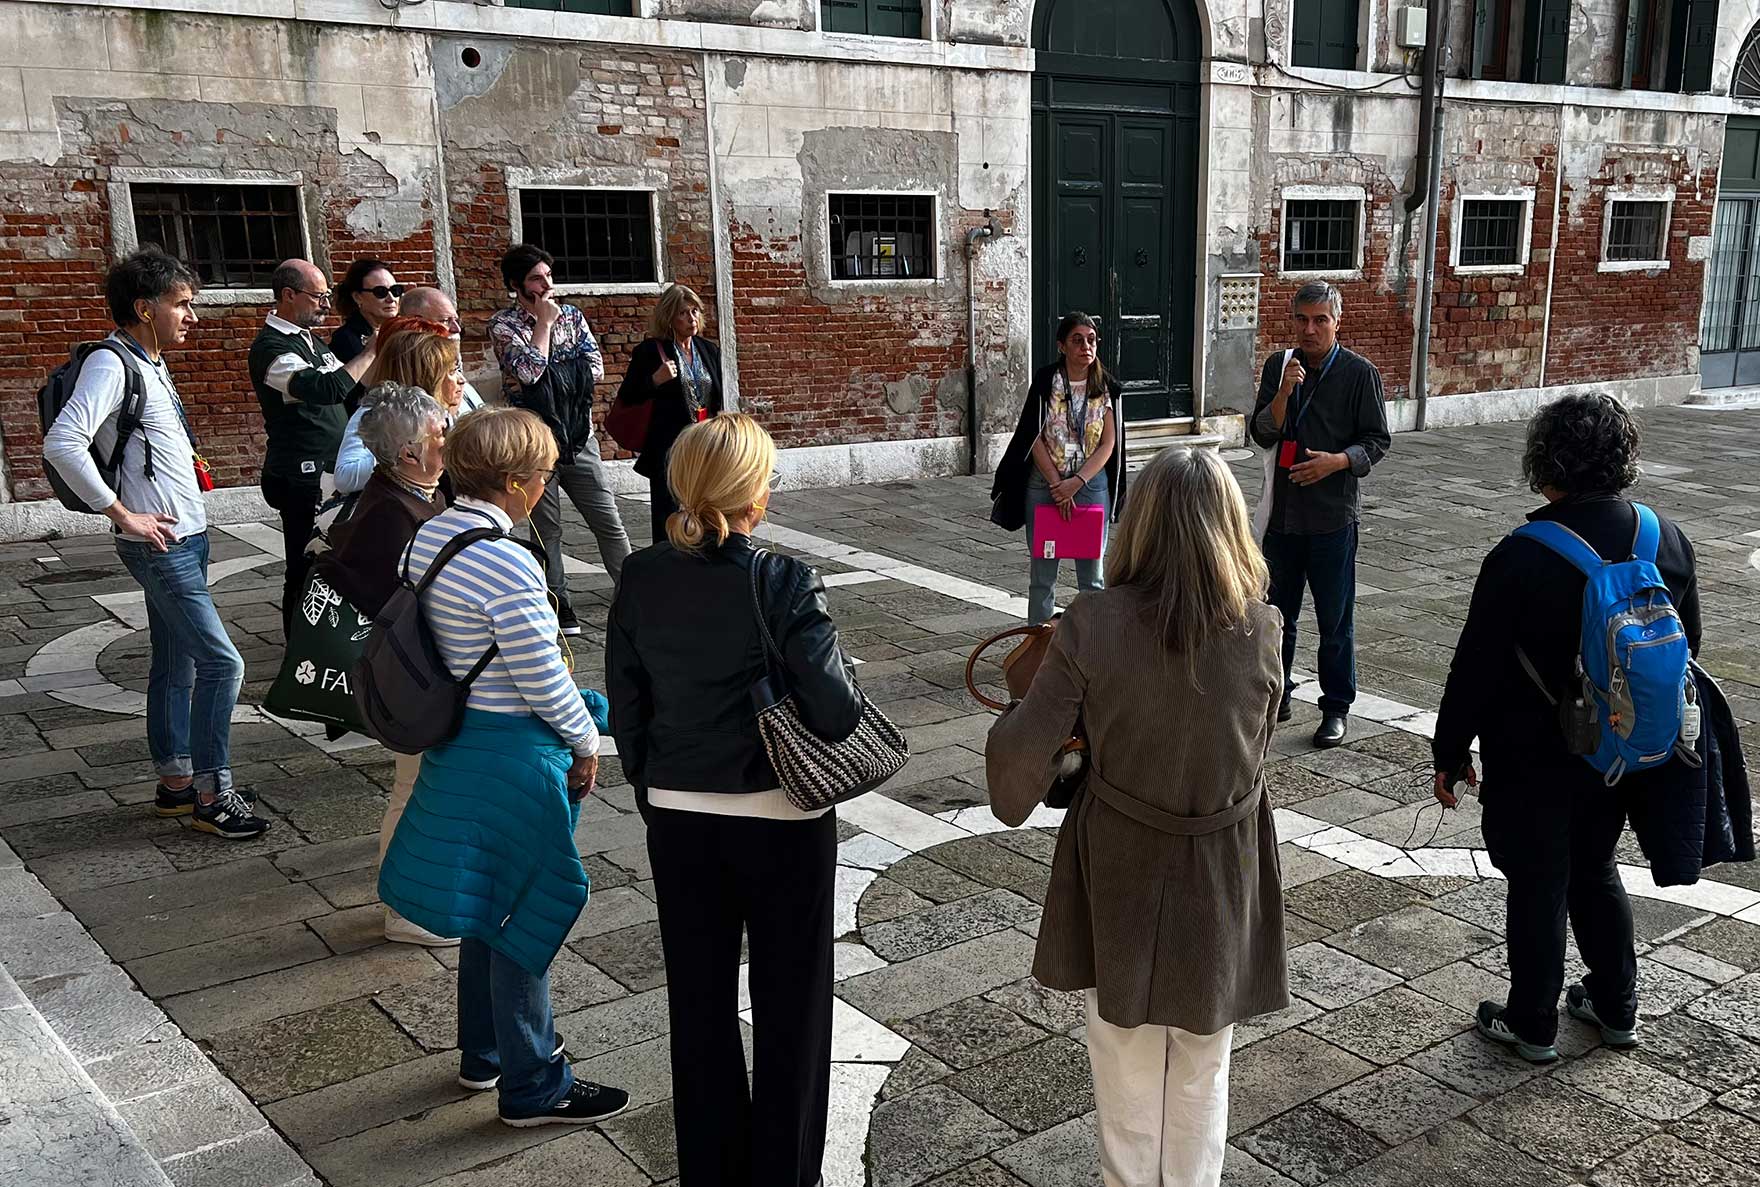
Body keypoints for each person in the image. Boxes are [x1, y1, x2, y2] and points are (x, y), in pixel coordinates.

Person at [984, 446, 1288, 1187]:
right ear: (1230, 526)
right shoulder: (1264, 626)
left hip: (1121, 861)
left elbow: (1015, 766)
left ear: (1139, 522)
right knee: (1201, 1067)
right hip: (1222, 864)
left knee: (1123, 1061)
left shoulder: (1094, 621)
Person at [606, 413, 862, 1187]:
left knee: (701, 1004)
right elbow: (836, 711)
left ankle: (712, 1173)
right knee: (792, 1004)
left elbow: (628, 703)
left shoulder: (642, 575)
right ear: (755, 494)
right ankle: (785, 1174)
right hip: (781, 816)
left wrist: (656, 791)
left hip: (681, 816)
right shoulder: (781, 579)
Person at [377, 407, 630, 1126]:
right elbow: (538, 676)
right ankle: (534, 1082)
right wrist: (586, 740)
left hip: (462, 740)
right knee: (527, 909)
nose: (546, 484)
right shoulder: (504, 558)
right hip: (513, 754)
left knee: (491, 904)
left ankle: (485, 1053)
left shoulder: (431, 536)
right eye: (544, 473)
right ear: (517, 482)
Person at [1432, 394, 1701, 1064]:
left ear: (1545, 463)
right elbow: (1686, 643)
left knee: (1538, 879)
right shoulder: (1663, 537)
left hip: (1534, 752)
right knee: (1596, 866)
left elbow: (1477, 666)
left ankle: (1532, 1022)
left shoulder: (1521, 554)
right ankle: (1616, 1006)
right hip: (1624, 749)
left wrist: (1449, 749)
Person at [42, 250, 268, 840]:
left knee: (177, 663)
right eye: (182, 304)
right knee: (224, 662)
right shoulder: (112, 364)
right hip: (159, 544)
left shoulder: (151, 362)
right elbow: (63, 443)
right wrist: (123, 515)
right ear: (145, 309)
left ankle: (175, 784)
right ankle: (214, 793)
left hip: (185, 538)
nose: (191, 315)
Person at [317, 383, 451, 945]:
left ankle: (416, 900)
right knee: (412, 788)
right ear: (409, 455)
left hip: (419, 672)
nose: (450, 440)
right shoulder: (394, 512)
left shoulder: (413, 493)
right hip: (408, 677)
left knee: (418, 787)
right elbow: (401, 600)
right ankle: (404, 911)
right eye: (440, 433)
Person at [1249, 280, 1391, 749]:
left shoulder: (1358, 373)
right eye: (1302, 320)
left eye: (1320, 320)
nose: (1309, 330)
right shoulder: (1279, 365)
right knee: (1275, 614)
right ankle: (1278, 693)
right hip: (1284, 517)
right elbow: (1263, 432)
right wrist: (1284, 393)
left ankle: (1335, 708)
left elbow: (1377, 440)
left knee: (1335, 619)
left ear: (1336, 322)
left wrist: (1338, 461)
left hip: (1332, 517)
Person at [488, 243, 631, 633]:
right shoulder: (504, 325)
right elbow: (530, 374)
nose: (547, 283)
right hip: (533, 440)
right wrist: (544, 326)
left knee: (607, 518)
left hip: (577, 433)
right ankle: (557, 601)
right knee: (545, 527)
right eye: (537, 277)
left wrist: (554, 359)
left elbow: (596, 369)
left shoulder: (572, 315)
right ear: (516, 284)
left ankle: (632, 594)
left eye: (549, 275)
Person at [250, 259, 379, 637]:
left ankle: (327, 638)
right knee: (303, 563)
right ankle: (299, 650)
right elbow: (324, 390)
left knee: (331, 558)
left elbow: (350, 381)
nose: (325, 304)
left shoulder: (310, 340)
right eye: (318, 296)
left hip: (330, 468)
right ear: (288, 295)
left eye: (326, 296)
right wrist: (372, 351)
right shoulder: (270, 348)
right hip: (300, 473)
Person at [991, 311, 1124, 625]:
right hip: (1044, 485)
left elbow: (1108, 444)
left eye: (1091, 340)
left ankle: (1090, 647)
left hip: (1090, 486)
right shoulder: (1046, 380)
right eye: (1077, 340)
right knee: (1043, 574)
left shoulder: (1107, 386)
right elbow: (1032, 434)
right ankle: (1038, 645)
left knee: (1092, 577)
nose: (1085, 347)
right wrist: (1057, 484)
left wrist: (1075, 483)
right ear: (1062, 345)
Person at [613, 284, 724, 543]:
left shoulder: (708, 350)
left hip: (702, 443)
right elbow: (629, 395)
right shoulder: (651, 352)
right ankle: (667, 563)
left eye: (695, 311)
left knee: (705, 508)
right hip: (668, 448)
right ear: (669, 318)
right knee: (668, 514)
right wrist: (655, 380)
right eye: (684, 313)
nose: (691, 318)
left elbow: (718, 395)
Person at [333, 317, 481, 495]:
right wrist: (406, 441)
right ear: (425, 375)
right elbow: (344, 477)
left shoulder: (456, 401)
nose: (461, 379)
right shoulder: (378, 412)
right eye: (450, 371)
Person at [330, 258, 401, 365]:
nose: (391, 298)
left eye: (395, 290)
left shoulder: (401, 331)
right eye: (380, 292)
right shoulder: (345, 340)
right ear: (358, 297)